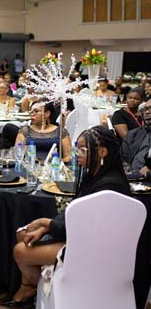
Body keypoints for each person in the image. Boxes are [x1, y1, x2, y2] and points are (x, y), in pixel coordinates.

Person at [8, 126, 130, 306]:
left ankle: (45, 292)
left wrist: (47, 224)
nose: (76, 154)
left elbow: (86, 227)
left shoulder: (110, 186)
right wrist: (46, 227)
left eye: (83, 150)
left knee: (20, 251)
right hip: (80, 236)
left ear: (102, 152)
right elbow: (73, 213)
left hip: (93, 248)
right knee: (24, 235)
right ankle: (31, 288)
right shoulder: (93, 175)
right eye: (77, 149)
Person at [123, 102, 151, 176]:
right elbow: (123, 157)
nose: (147, 112)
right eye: (145, 109)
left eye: (150, 109)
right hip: (132, 176)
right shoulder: (133, 134)